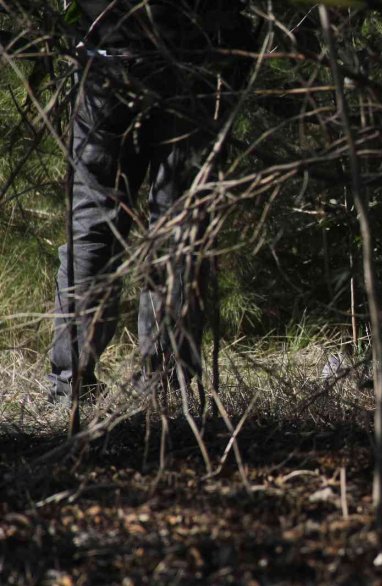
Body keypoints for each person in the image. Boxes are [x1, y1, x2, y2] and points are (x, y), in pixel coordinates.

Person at [49, 0, 253, 403]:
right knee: (177, 229)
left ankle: (69, 382)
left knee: (94, 226)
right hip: (195, 60)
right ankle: (164, 387)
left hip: (106, 55)